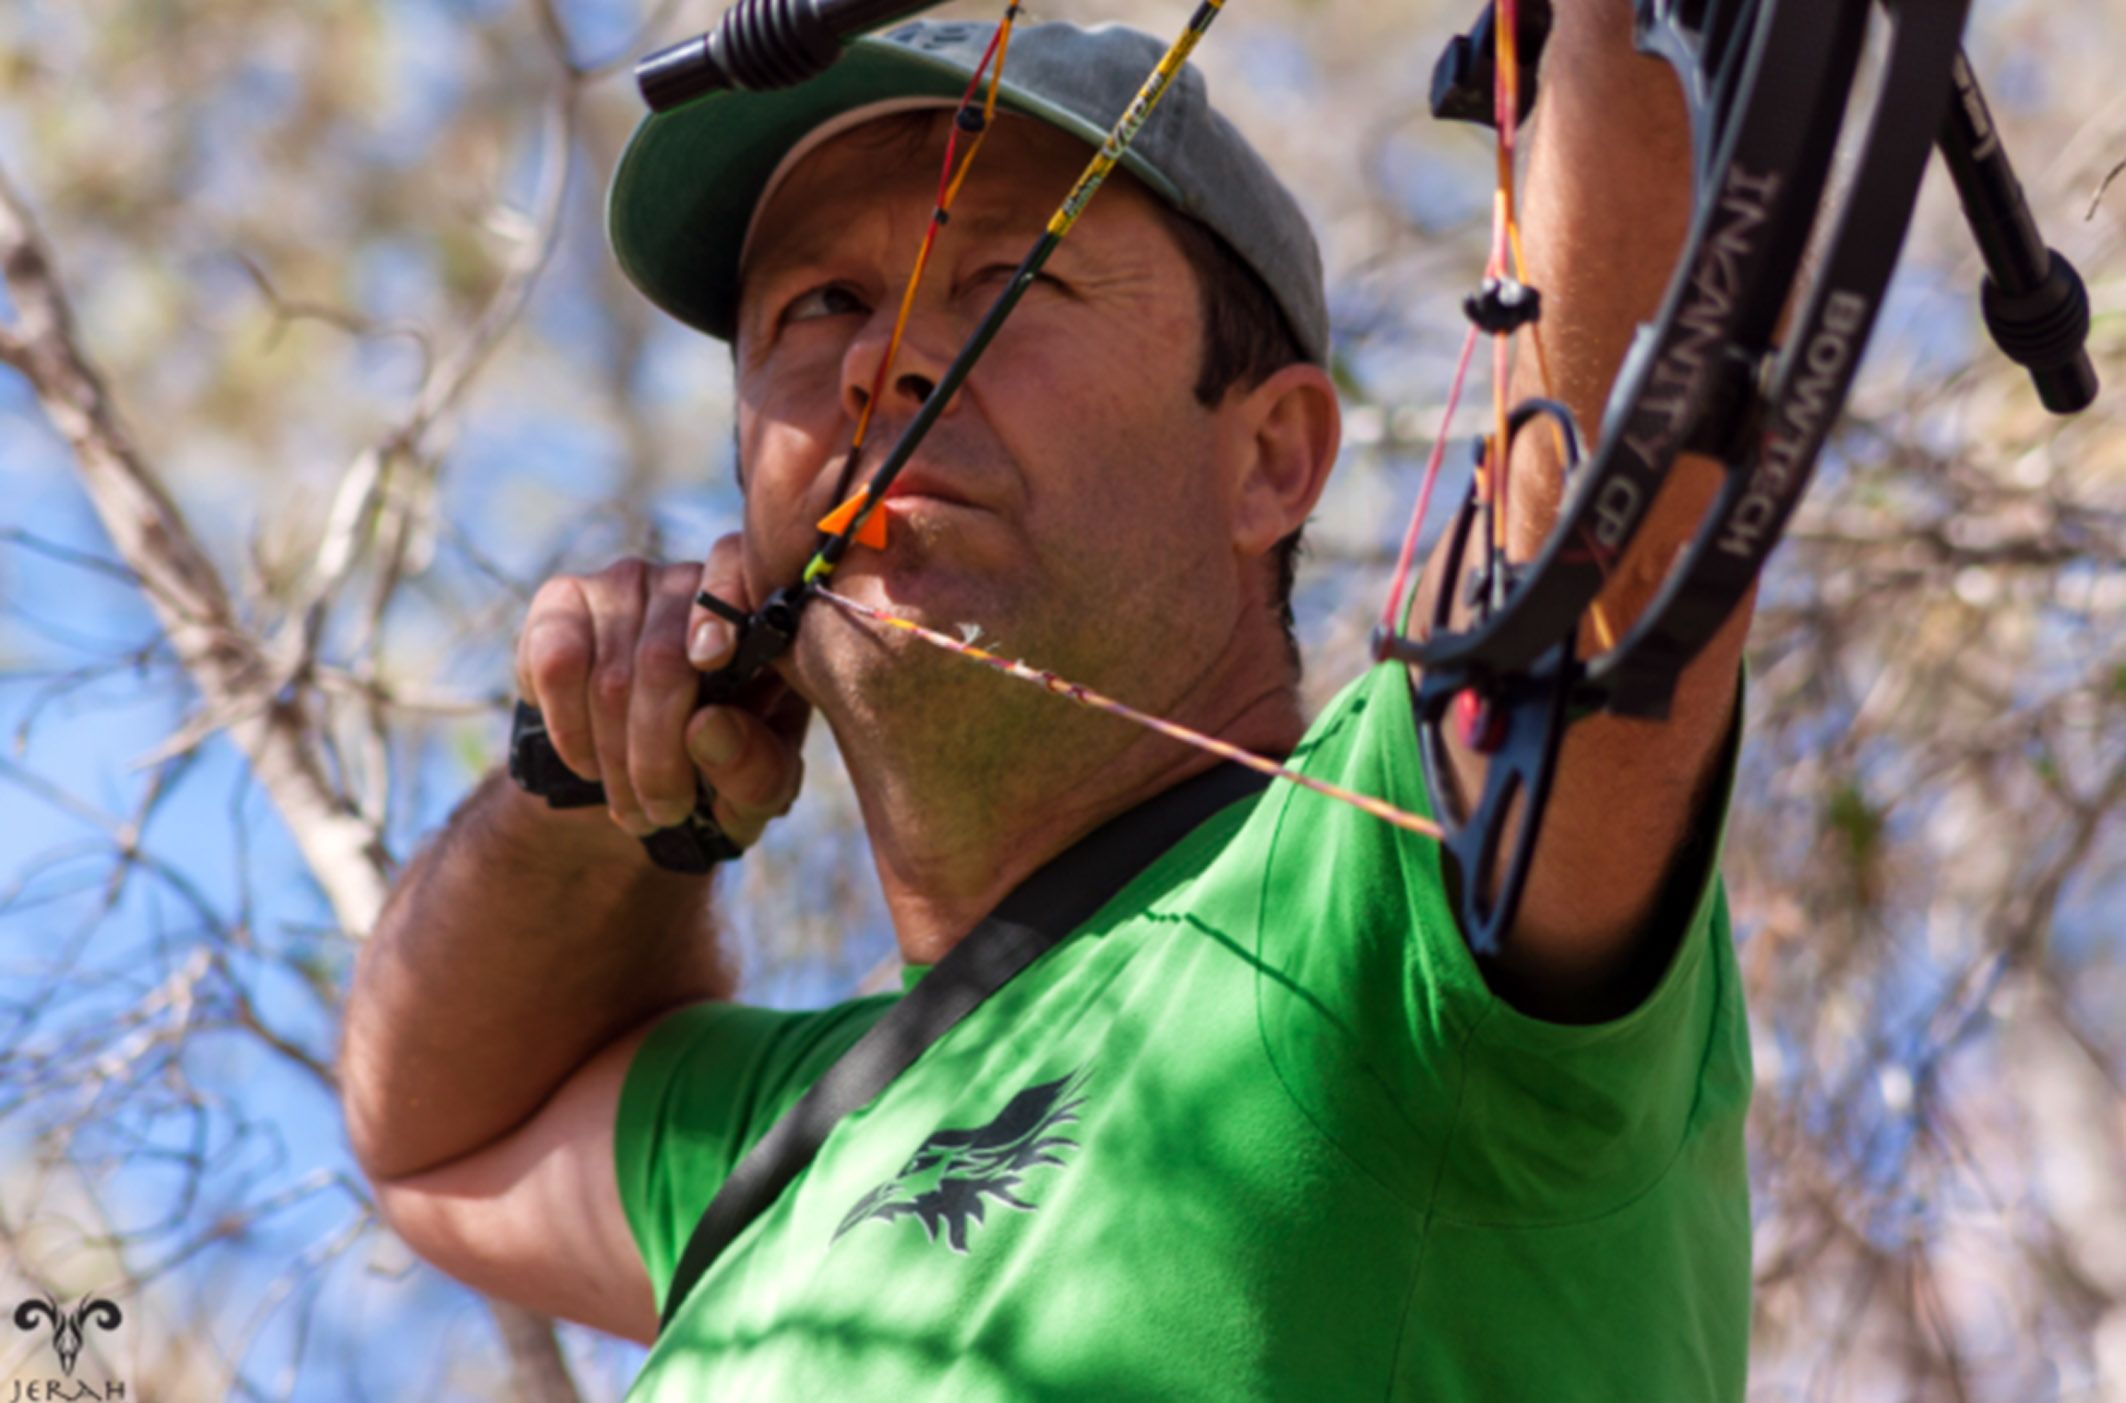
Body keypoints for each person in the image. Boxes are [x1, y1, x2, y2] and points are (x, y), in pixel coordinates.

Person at [340, 5, 1754, 1398]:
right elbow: (437, 1137)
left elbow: (1605, 475)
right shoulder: (781, 1142)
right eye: (816, 302)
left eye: (1013, 277)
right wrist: (586, 784)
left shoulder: (1377, 891)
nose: (875, 360)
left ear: (1270, 456)